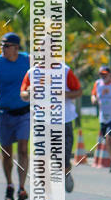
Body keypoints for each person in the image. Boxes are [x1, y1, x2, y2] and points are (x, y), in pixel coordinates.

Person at [0, 32, 30, 200]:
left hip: (24, 112)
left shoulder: (27, 60)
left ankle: (22, 187)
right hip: (3, 112)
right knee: (6, 153)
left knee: (23, 149)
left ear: (16, 48)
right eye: (1, 45)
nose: (2, 48)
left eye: (6, 46)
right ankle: (9, 184)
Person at [20, 64, 82, 192]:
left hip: (63, 120)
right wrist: (29, 92)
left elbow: (79, 91)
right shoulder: (32, 72)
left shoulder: (64, 71)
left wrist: (63, 94)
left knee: (62, 160)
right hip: (40, 120)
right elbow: (23, 94)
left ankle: (65, 172)